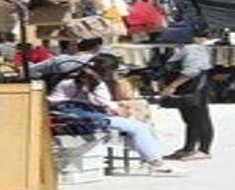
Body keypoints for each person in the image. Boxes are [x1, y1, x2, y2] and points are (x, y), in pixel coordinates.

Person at [47, 54, 180, 175]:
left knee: (131, 128)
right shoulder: (97, 84)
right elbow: (108, 105)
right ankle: (155, 162)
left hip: (63, 115)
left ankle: (150, 157)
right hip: (80, 118)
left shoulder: (67, 80)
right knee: (139, 127)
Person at [160, 37, 214, 161]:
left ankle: (204, 150)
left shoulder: (193, 49)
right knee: (189, 118)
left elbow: (192, 71)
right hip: (185, 87)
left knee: (200, 117)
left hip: (194, 86)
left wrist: (172, 86)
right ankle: (188, 148)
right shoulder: (182, 48)